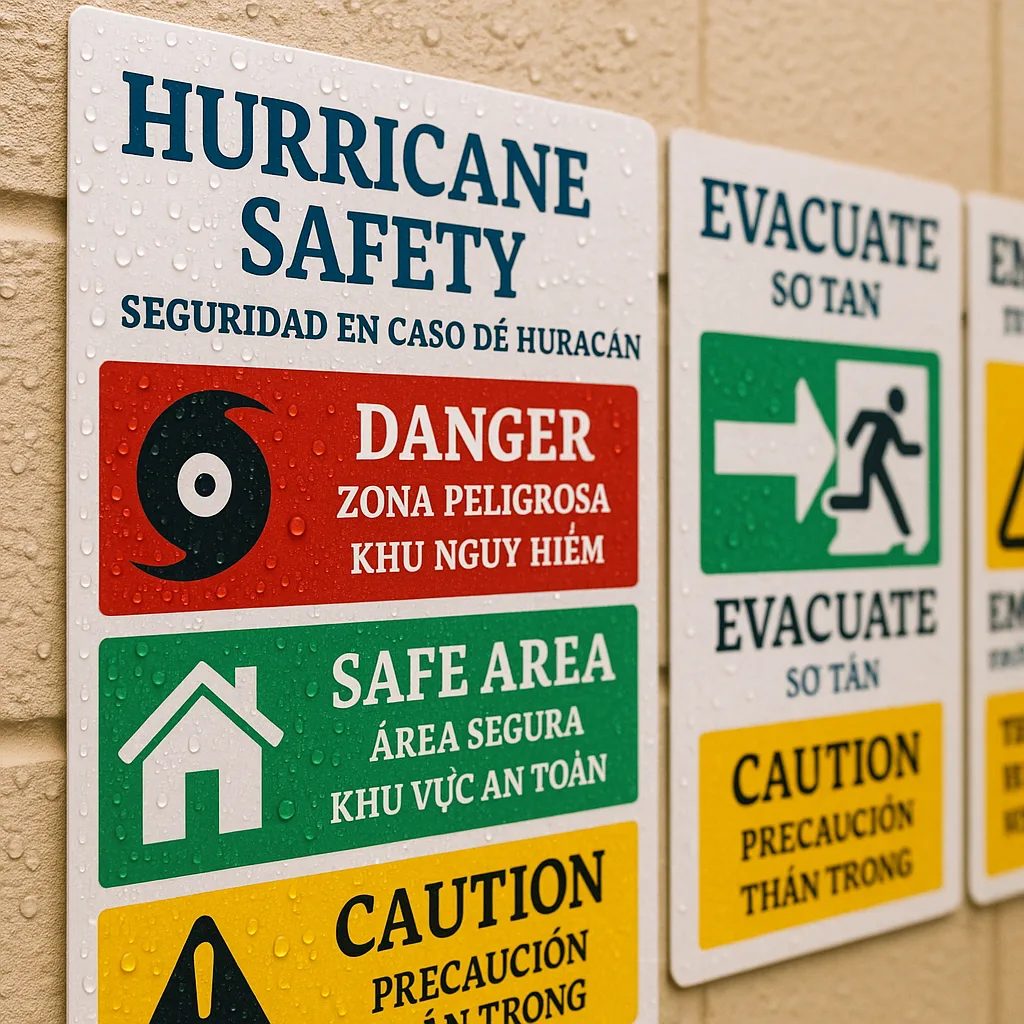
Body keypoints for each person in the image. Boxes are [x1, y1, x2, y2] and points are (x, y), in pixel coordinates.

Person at [828, 387, 921, 535]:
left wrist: (916, 449)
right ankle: (905, 530)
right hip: (872, 462)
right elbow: (863, 415)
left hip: (873, 462)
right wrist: (851, 437)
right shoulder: (885, 419)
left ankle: (835, 502)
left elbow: (901, 448)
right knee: (880, 497)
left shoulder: (889, 423)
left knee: (868, 499)